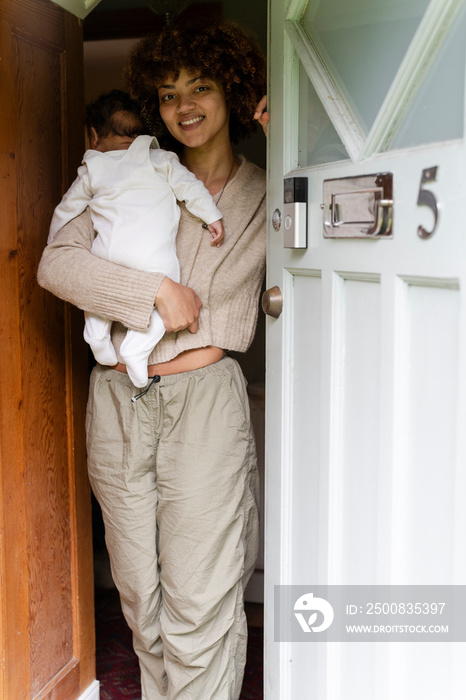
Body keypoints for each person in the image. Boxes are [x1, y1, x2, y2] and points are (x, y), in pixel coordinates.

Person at [38, 18, 267, 700]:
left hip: (203, 400)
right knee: (140, 597)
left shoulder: (272, 186)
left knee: (202, 597)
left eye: (200, 87)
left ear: (232, 92)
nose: (184, 106)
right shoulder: (125, 169)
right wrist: (153, 291)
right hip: (116, 399)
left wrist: (294, 122)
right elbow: (57, 262)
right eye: (168, 94)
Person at [48, 90, 224, 389]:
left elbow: (67, 208)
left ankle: (96, 332)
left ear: (93, 136)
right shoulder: (159, 160)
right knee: (169, 294)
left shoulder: (92, 169)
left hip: (107, 254)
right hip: (153, 259)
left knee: (100, 289)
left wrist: (54, 238)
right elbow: (189, 188)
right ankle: (136, 348)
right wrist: (212, 216)